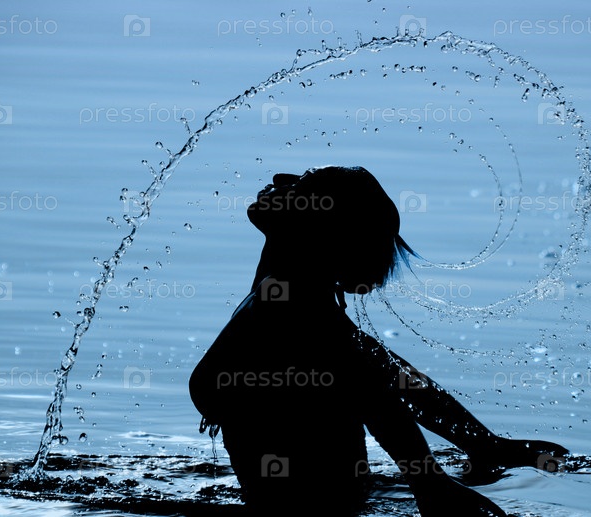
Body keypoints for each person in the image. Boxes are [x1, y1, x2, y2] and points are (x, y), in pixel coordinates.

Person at [189, 166, 568, 516]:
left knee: (368, 364)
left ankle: (475, 453)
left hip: (300, 492)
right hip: (321, 494)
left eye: (300, 183)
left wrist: (449, 468)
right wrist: (439, 475)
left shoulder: (293, 289)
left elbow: (379, 387)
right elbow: (382, 389)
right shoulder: (298, 298)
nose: (280, 179)